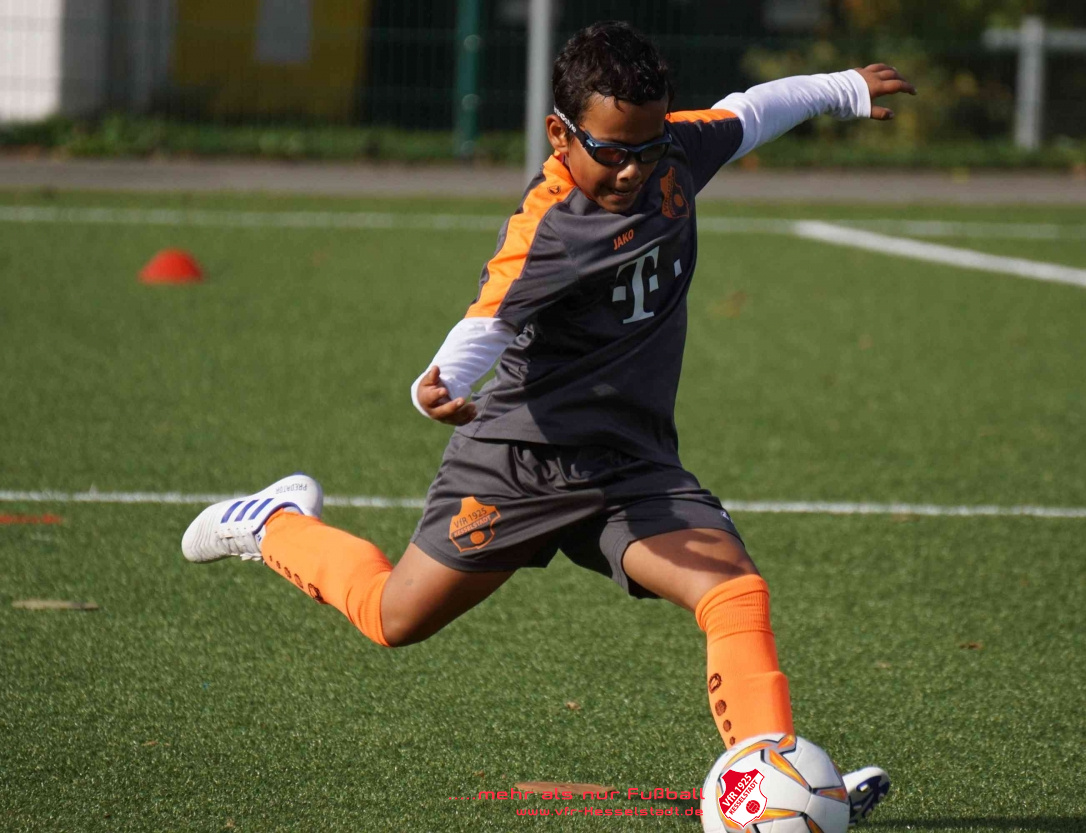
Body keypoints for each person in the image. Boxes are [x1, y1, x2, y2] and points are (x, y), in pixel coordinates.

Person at [181, 20, 914, 825]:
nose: (633, 168)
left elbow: (752, 111)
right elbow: (488, 320)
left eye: (647, 147)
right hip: (521, 461)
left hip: (630, 462)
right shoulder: (550, 224)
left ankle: (778, 792)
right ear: (559, 135)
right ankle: (274, 522)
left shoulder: (672, 152)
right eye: (613, 151)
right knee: (394, 617)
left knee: (734, 589)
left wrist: (843, 88)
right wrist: (436, 385)